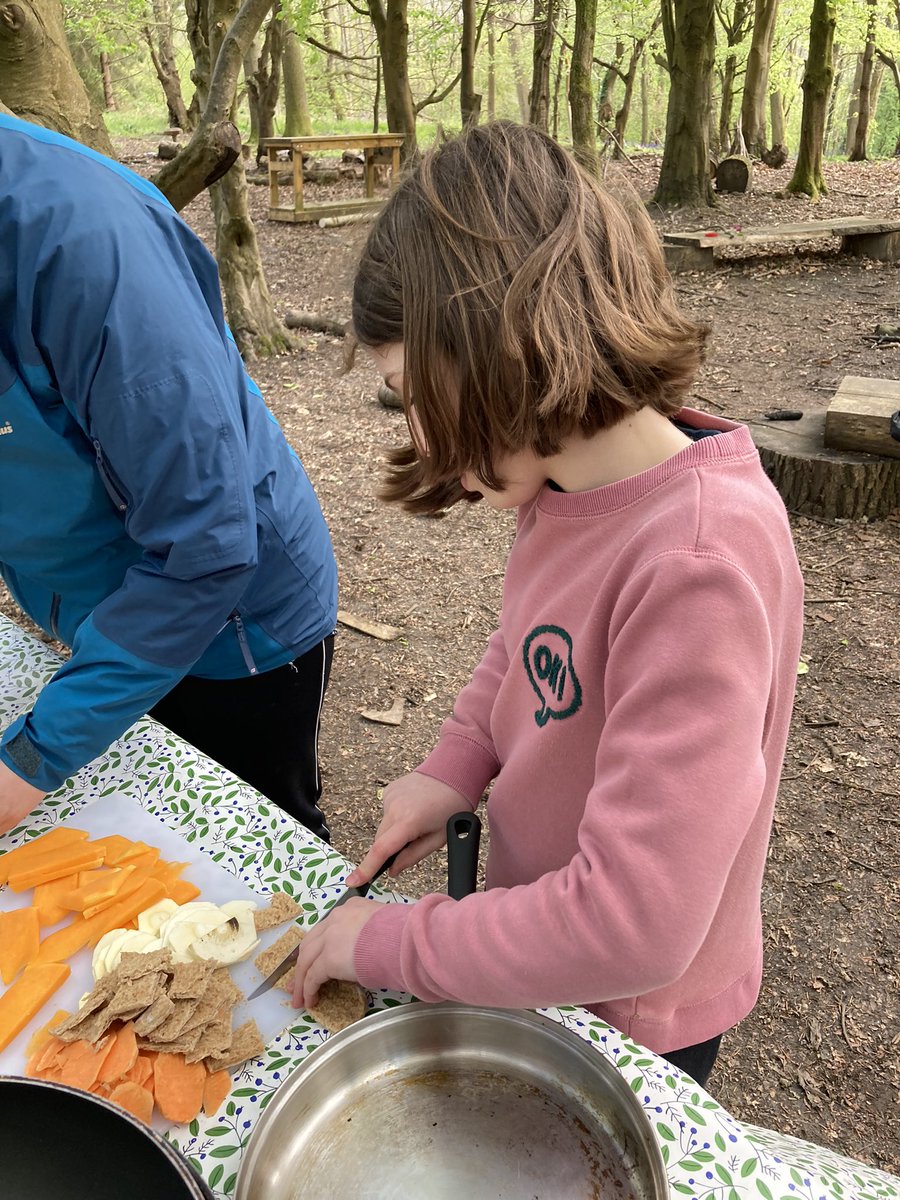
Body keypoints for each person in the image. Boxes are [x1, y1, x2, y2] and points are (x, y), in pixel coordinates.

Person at [290, 121, 805, 1088]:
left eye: (410, 392)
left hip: (634, 1020)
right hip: (541, 953)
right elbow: (525, 645)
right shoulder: (565, 487)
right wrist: (454, 766)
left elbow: (633, 924)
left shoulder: (697, 561)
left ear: (505, 348)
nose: (413, 428)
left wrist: (393, 944)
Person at [0, 113, 338, 842]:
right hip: (103, 608)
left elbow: (206, 546)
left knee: (257, 846)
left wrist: (30, 760)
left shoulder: (84, 246)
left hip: (237, 630)